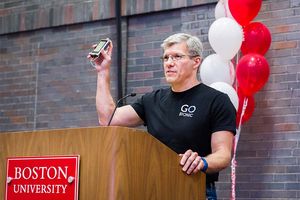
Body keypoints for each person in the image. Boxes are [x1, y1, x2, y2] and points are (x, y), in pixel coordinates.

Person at [87, 33, 236, 200]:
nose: (169, 63)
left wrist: (202, 162)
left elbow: (223, 154)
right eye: (166, 58)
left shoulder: (216, 100)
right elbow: (108, 119)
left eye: (177, 57)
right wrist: (102, 70)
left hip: (196, 189)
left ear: (196, 62)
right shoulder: (153, 100)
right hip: (154, 189)